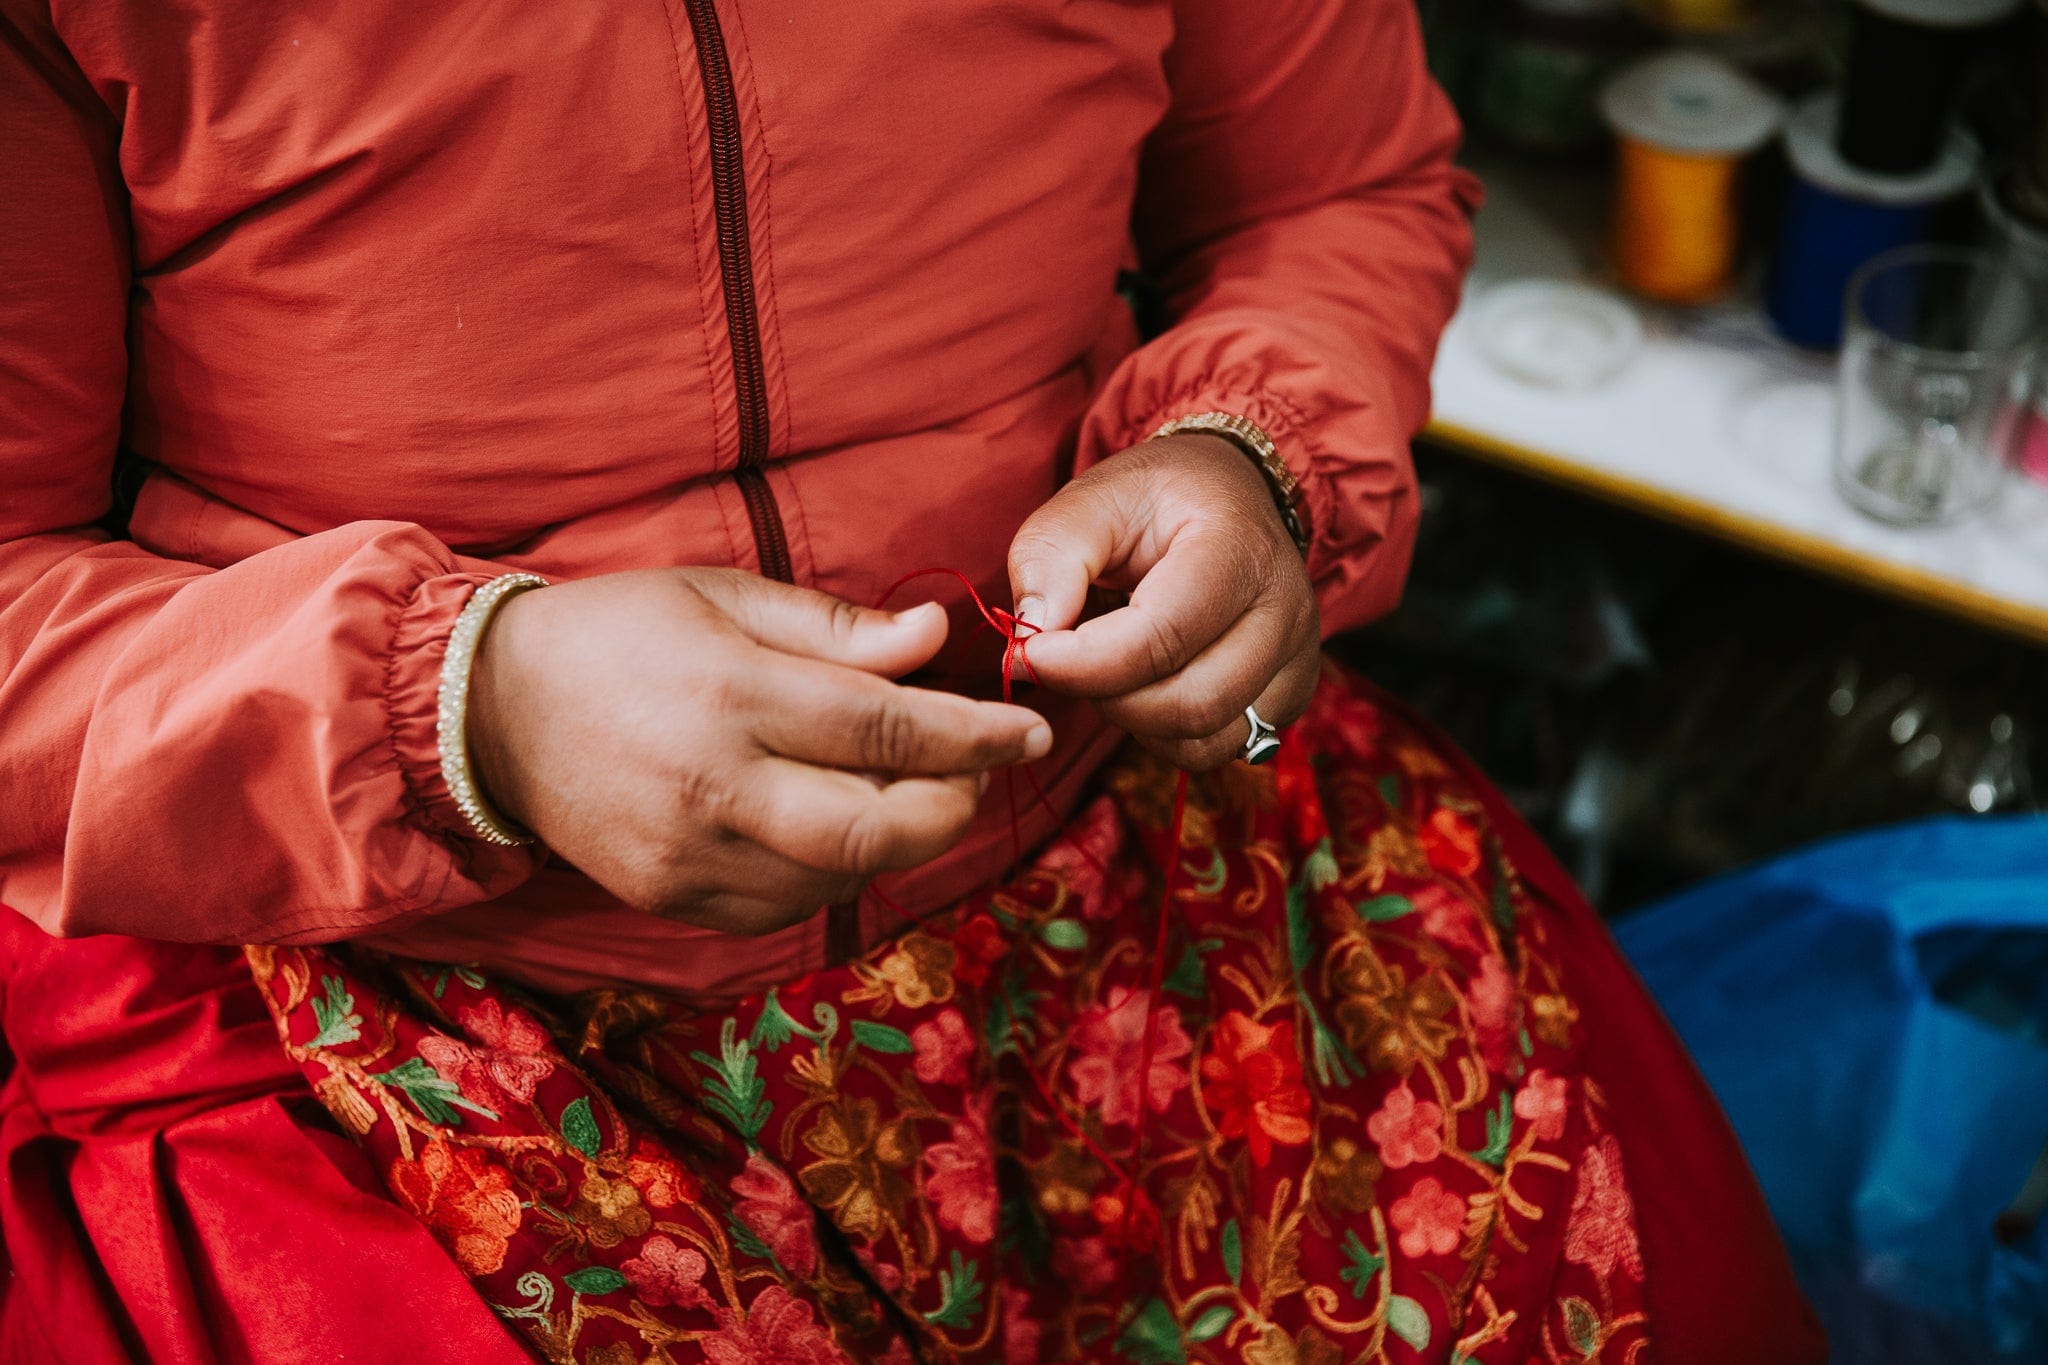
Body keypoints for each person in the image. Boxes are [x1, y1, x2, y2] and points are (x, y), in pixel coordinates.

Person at [0, 0, 1824, 1360]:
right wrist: (477, 706)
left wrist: (1251, 460)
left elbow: (1335, 185)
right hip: (413, 999)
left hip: (1142, 846)